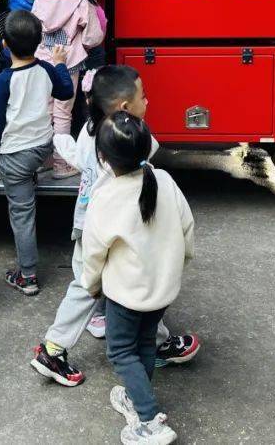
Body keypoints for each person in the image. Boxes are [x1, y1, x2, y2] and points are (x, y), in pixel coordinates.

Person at [31, 66, 200, 387]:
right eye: (143, 96)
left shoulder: (90, 129)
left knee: (123, 285)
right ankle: (53, 348)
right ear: (124, 108)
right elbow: (148, 151)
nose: (147, 102)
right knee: (104, 284)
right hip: (107, 227)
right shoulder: (129, 140)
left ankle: (154, 342)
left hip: (92, 222)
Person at [83, 112, 194, 445]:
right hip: (163, 289)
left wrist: (92, 285)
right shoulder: (164, 180)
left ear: (103, 158)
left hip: (125, 294)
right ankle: (136, 397)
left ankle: (149, 421)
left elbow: (93, 252)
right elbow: (188, 230)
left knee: (121, 351)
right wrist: (180, 262)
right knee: (145, 342)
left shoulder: (105, 197)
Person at [0, 10, 74, 296]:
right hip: (42, 148)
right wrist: (60, 63)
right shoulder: (46, 70)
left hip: (16, 156)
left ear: (4, 46)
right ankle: (29, 178)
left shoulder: (3, 80)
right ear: (39, 43)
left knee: (22, 214)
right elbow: (64, 92)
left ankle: (27, 276)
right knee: (27, 178)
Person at [32, 0, 105, 177]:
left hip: (42, 63)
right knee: (63, 115)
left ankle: (43, 159)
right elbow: (94, 38)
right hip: (69, 67)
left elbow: (33, 28)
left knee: (43, 112)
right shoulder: (82, 0)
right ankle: (62, 164)